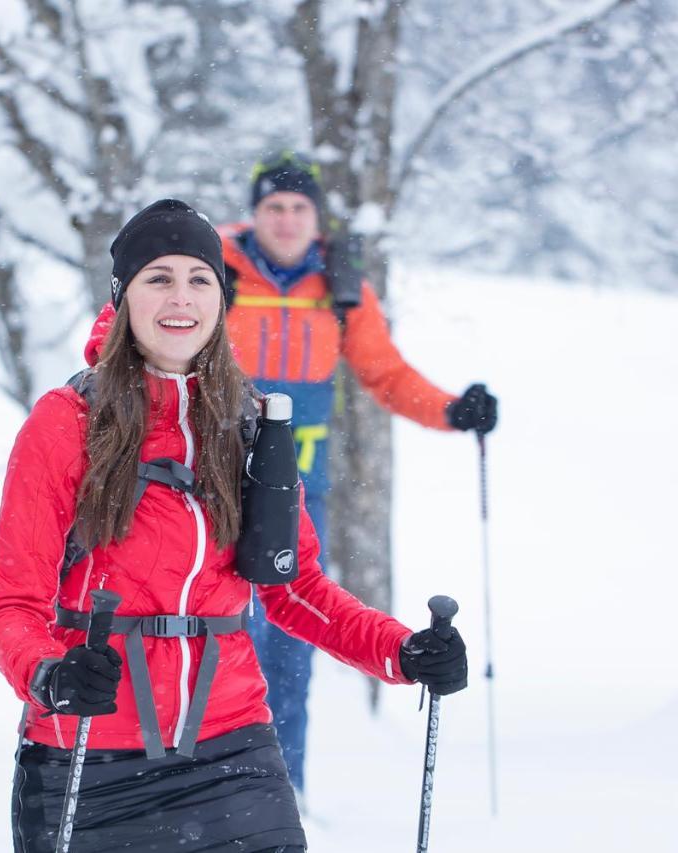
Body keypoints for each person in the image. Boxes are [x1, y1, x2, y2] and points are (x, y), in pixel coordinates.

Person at [0, 199, 469, 852]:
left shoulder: (250, 423)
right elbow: (12, 605)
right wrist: (51, 673)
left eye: (198, 278)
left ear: (220, 296)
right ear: (125, 296)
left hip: (232, 753)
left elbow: (292, 587)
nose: (180, 297)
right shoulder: (66, 422)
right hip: (90, 749)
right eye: (159, 278)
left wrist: (400, 651)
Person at [209, 149, 496, 795]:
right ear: (253, 214)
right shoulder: (213, 269)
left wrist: (455, 411)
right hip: (216, 485)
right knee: (228, 636)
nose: (285, 221)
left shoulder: (340, 286)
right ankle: (216, 793)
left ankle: (286, 793)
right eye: (273, 208)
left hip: (298, 491)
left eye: (298, 208)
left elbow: (386, 375)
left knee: (290, 642)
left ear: (317, 218)